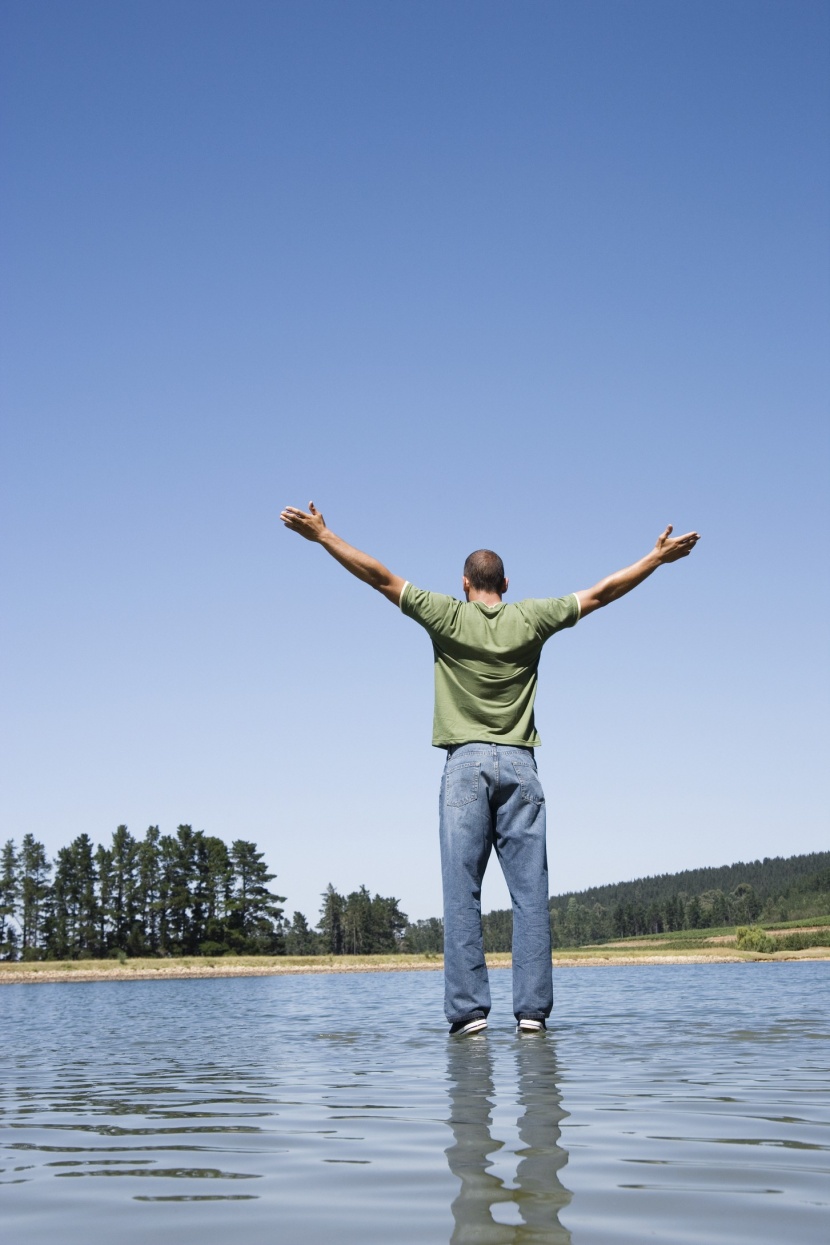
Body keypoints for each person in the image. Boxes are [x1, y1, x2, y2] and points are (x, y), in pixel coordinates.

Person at [280, 501, 699, 1036]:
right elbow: (601, 592)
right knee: (530, 897)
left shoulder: (446, 615)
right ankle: (531, 1016)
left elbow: (378, 576)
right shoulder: (531, 617)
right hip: (521, 767)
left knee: (462, 894)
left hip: (465, 767)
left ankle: (470, 1014)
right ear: (505, 582)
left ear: (464, 583)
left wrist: (323, 536)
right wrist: (655, 559)